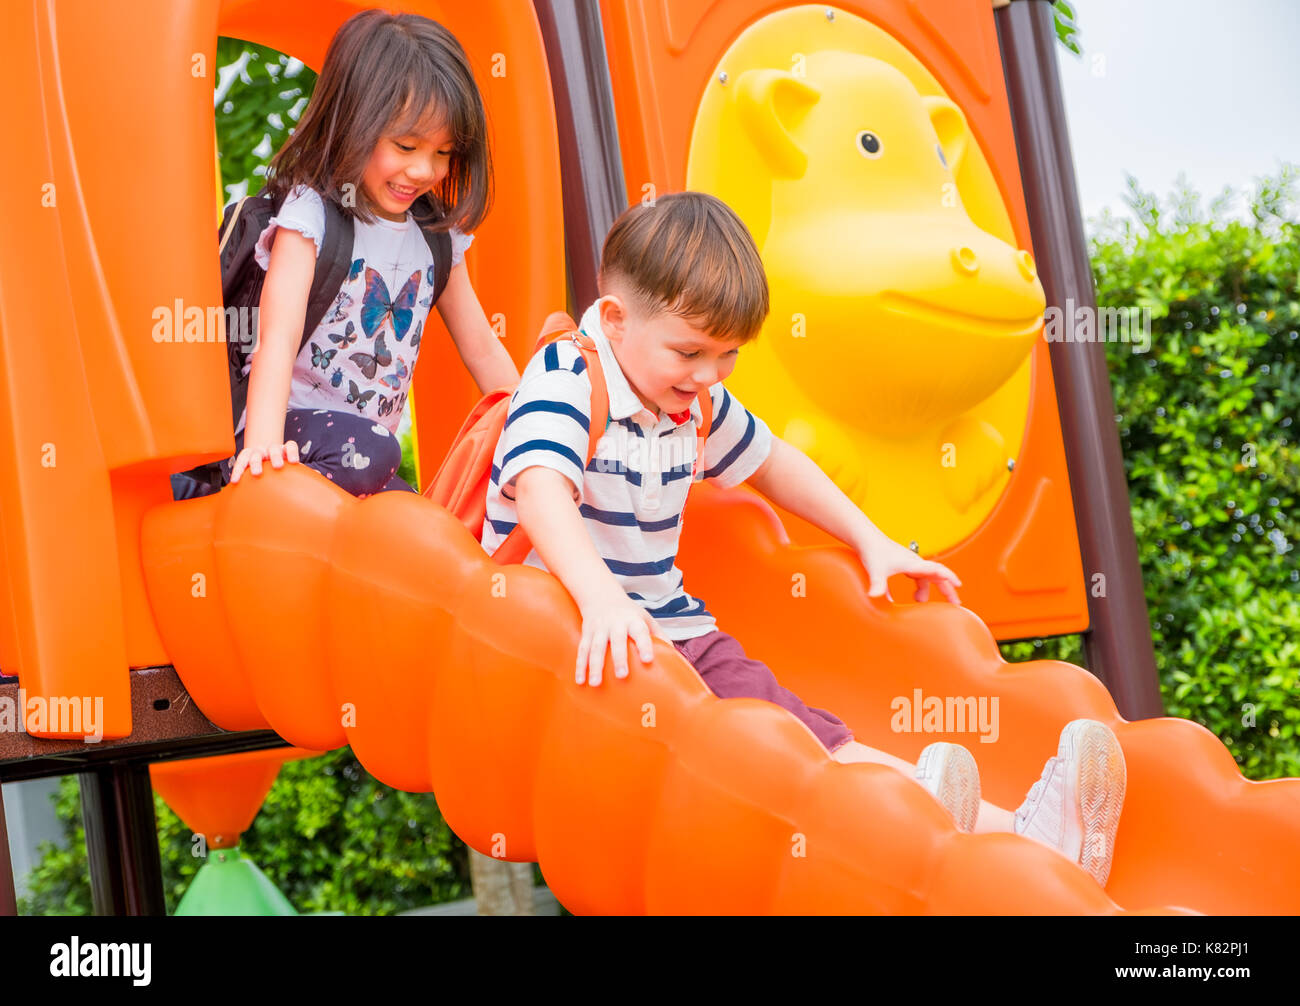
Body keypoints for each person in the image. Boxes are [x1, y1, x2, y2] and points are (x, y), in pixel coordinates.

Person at [480, 192, 1127, 886]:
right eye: (689, 351)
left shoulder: (692, 399)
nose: (706, 375)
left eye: (727, 355)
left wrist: (870, 537)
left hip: (670, 628)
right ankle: (915, 822)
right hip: (566, 633)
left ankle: (1028, 841)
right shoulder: (566, 378)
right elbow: (540, 486)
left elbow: (776, 463)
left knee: (788, 727)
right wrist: (603, 601)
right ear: (614, 320)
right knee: (755, 757)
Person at [227, 9, 517, 495]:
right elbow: (277, 337)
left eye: (443, 153)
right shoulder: (313, 216)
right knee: (379, 451)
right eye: (406, 146)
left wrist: (540, 427)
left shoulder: (434, 238)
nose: (425, 170)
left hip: (360, 453)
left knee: (417, 520)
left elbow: (483, 349)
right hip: (285, 434)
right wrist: (261, 447)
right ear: (355, 123)